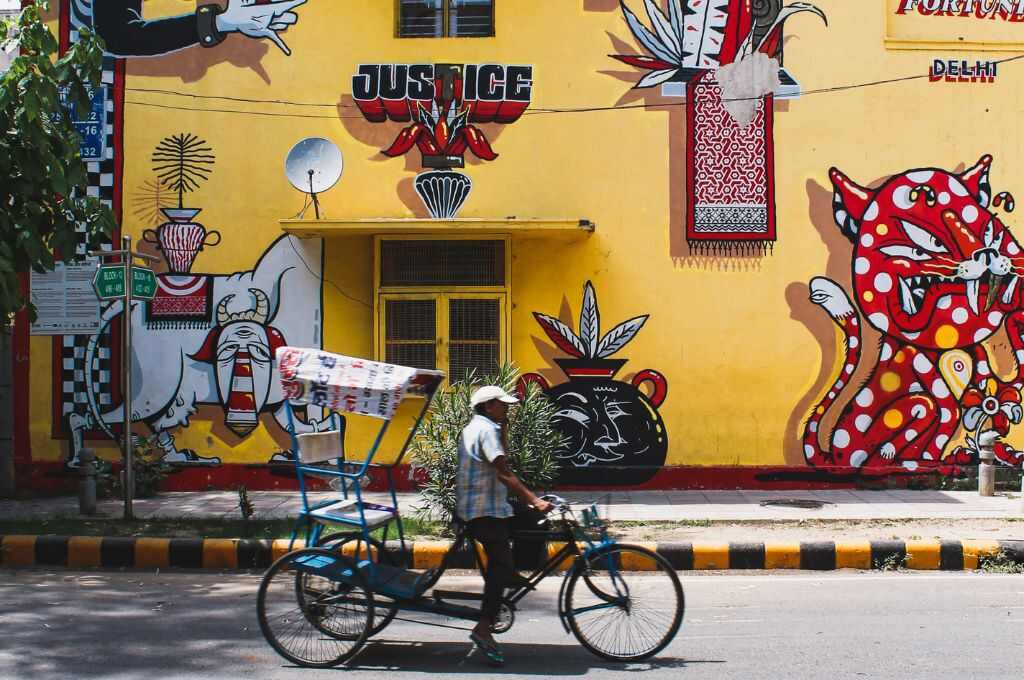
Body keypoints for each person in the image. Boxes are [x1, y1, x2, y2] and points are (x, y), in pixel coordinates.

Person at [456, 385, 553, 666]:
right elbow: (505, 473)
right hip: (482, 512)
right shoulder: (485, 430)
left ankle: (512, 570)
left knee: (535, 522)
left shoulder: (482, 426)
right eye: (502, 404)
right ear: (488, 406)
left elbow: (502, 457)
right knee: (499, 564)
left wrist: (504, 427)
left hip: (486, 506)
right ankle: (483, 628)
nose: (506, 408)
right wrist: (534, 499)